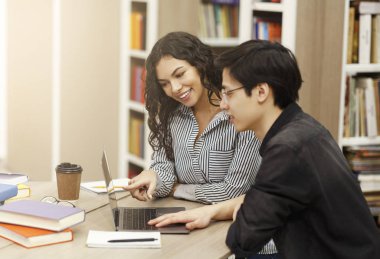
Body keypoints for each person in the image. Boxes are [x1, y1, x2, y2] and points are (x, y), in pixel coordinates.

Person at [148, 40, 380, 259]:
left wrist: (243, 207)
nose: (223, 104)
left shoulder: (286, 151)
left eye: (229, 93)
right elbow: (268, 202)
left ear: (261, 92)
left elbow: (241, 238)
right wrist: (213, 211)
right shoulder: (304, 128)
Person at [124, 31, 277, 257]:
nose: (175, 88)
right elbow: (166, 168)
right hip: (194, 228)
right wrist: (154, 177)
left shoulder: (239, 113)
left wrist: (179, 189)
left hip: (248, 241)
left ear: (200, 65)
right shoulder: (171, 114)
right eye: (165, 83)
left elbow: (234, 191)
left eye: (180, 74)